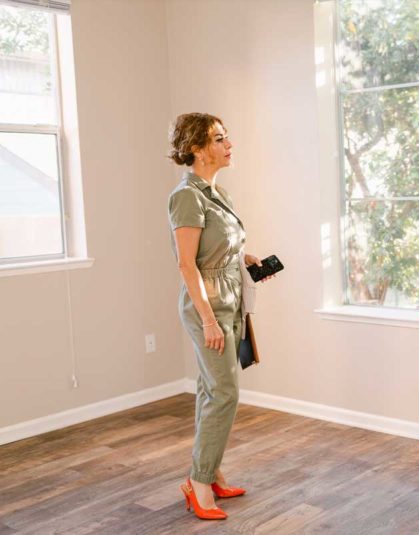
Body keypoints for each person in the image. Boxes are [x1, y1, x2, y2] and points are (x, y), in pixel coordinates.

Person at [167, 113, 265, 520]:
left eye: (227, 137)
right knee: (225, 392)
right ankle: (199, 483)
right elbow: (187, 265)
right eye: (219, 139)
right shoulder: (186, 195)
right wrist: (208, 319)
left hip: (230, 297)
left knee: (212, 391)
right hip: (207, 305)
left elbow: (214, 248)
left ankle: (212, 470)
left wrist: (244, 257)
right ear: (196, 148)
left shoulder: (216, 191)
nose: (229, 144)